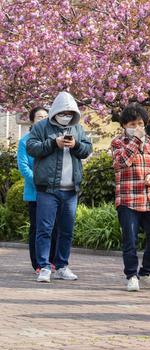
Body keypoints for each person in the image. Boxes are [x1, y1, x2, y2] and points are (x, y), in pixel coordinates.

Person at [27, 91, 93, 283]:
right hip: (48, 188)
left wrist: (76, 144)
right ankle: (44, 267)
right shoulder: (41, 127)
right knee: (44, 229)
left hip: (71, 189)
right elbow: (31, 148)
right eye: (63, 112)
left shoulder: (78, 129)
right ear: (55, 111)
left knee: (66, 229)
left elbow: (87, 149)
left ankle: (62, 266)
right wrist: (53, 143)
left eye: (70, 113)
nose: (66, 115)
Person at [111, 103, 150, 292]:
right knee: (130, 240)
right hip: (128, 199)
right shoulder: (118, 142)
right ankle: (131, 275)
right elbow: (121, 162)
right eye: (133, 123)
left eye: (140, 123)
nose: (138, 127)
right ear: (124, 125)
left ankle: (147, 273)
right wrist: (135, 140)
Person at [17, 107, 59, 273]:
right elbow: (23, 167)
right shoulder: (25, 141)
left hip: (53, 191)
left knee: (54, 227)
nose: (43, 119)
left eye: (45, 117)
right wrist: (40, 181)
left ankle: (52, 260)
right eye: (39, 117)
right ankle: (38, 263)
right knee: (37, 228)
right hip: (35, 192)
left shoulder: (53, 138)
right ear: (32, 120)